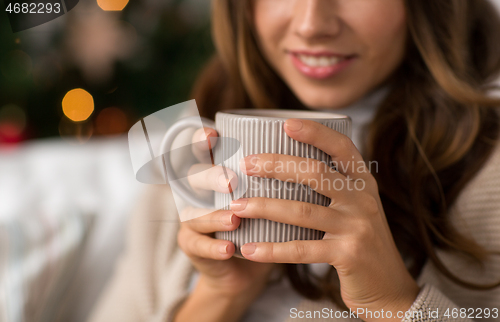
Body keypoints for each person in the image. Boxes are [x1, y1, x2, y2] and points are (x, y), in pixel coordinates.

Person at [89, 0, 500, 321]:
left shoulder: (489, 169)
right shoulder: (198, 133)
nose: (310, 25)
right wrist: (218, 297)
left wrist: (391, 302)